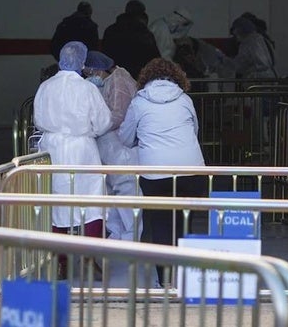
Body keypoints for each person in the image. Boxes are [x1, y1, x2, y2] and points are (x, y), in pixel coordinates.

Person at [118, 57, 207, 286]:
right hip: (191, 171)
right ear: (177, 77)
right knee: (185, 222)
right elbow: (194, 130)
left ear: (146, 78)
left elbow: (125, 138)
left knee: (160, 224)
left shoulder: (139, 102)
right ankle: (186, 278)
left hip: (156, 173)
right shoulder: (185, 99)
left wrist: (143, 139)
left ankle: (165, 281)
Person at [33, 41, 112, 279]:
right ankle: (90, 257)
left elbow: (38, 119)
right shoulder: (87, 89)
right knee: (91, 201)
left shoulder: (45, 87)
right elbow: (103, 122)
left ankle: (61, 261)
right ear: (83, 62)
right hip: (83, 149)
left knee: (58, 202)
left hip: (53, 149)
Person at [83, 51, 142, 241]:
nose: (89, 77)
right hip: (109, 146)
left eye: (90, 72)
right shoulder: (109, 81)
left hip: (120, 147)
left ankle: (132, 235)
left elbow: (119, 114)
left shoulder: (119, 80)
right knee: (112, 191)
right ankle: (118, 232)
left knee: (126, 190)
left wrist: (95, 126)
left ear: (98, 70)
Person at [102, 0, 160, 80]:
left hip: (115, 76)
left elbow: (105, 55)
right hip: (137, 77)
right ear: (141, 14)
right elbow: (154, 59)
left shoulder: (110, 30)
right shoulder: (144, 34)